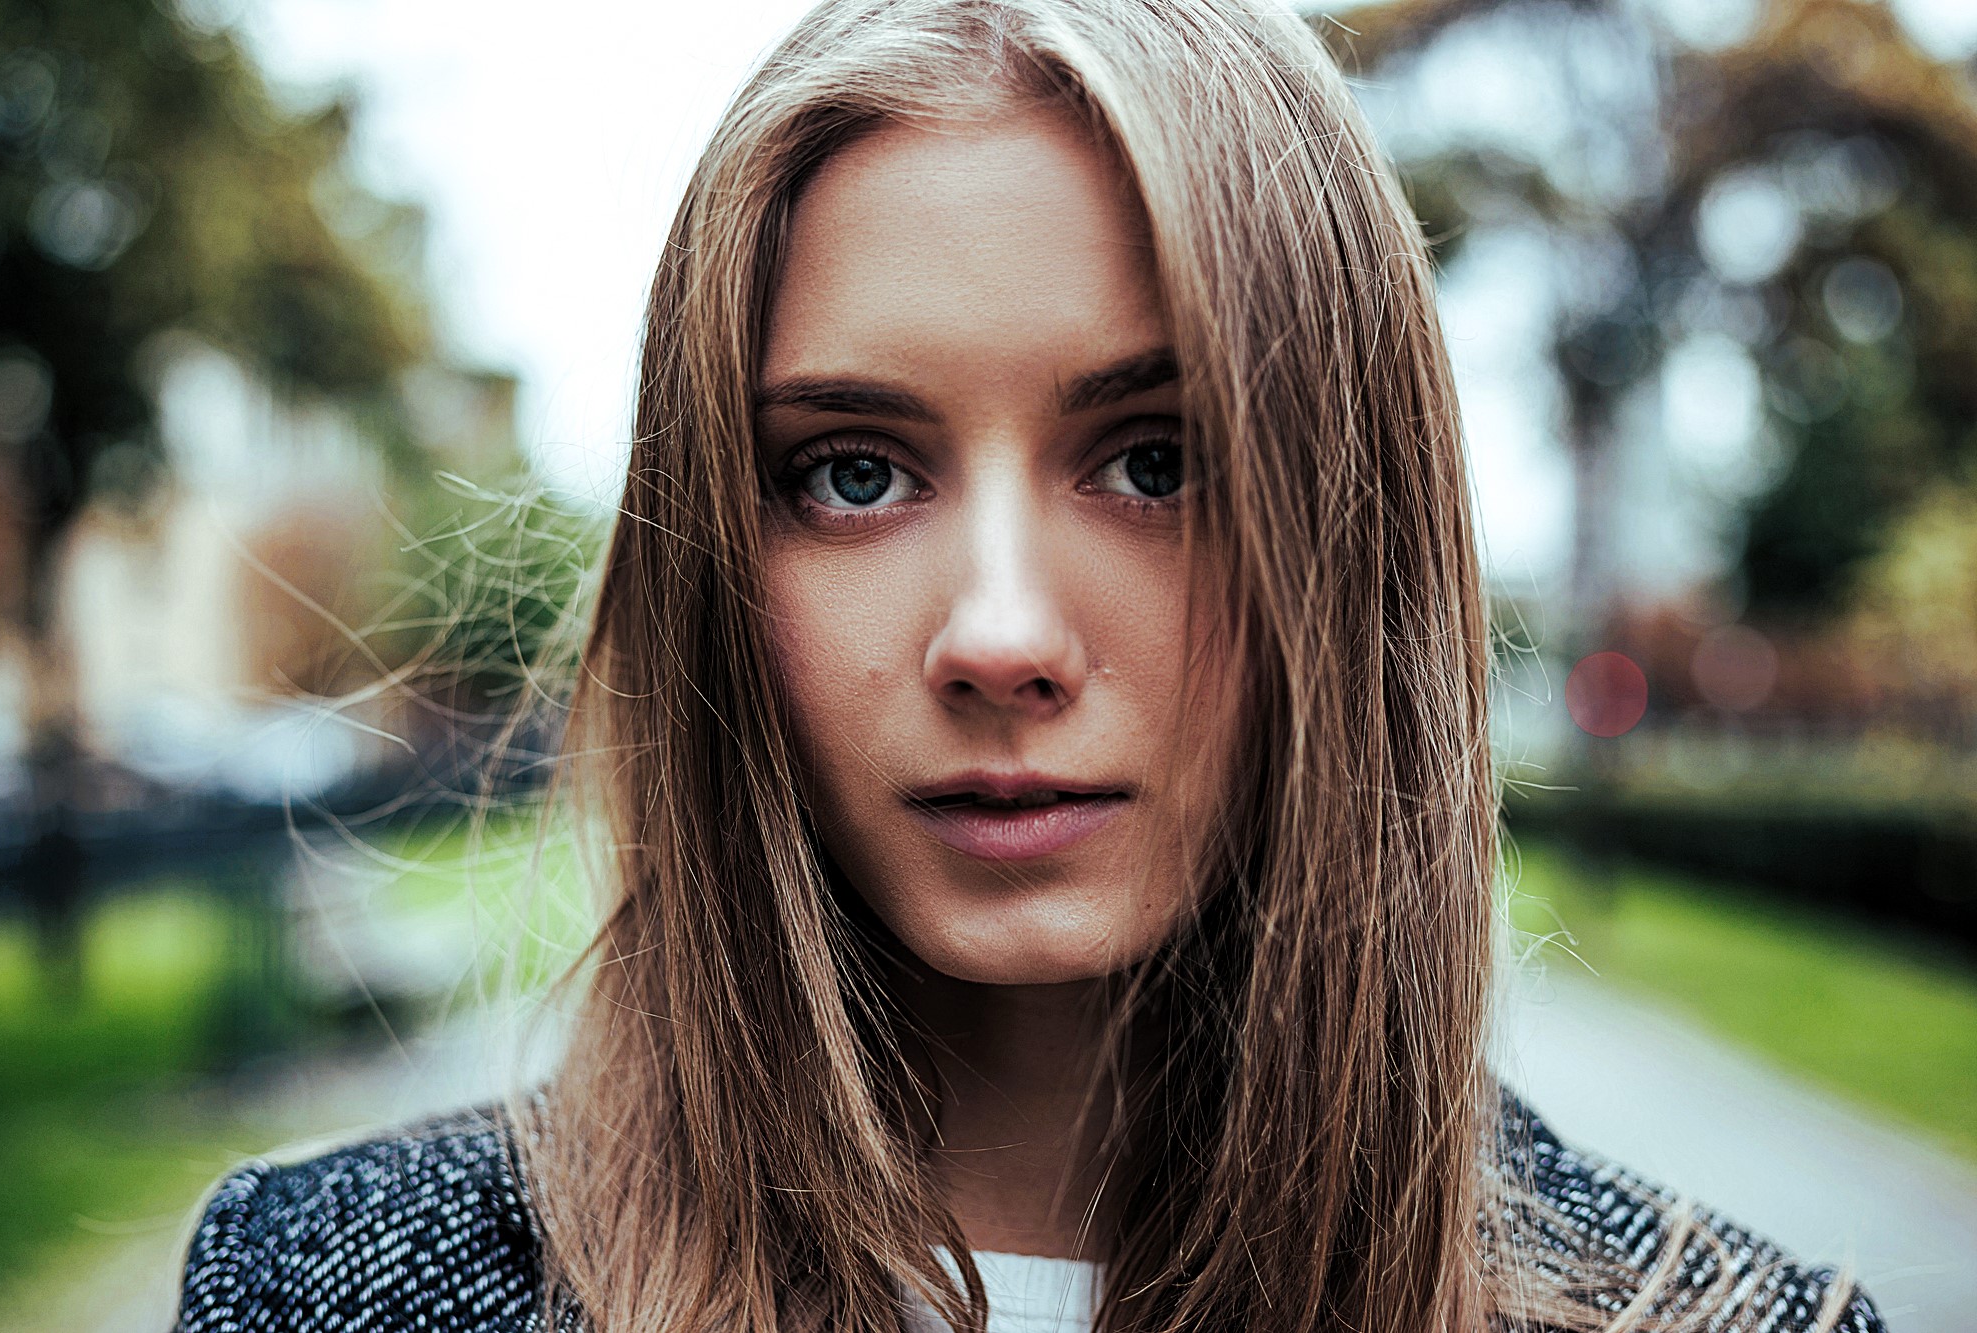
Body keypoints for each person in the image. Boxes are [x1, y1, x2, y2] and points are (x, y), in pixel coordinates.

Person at [173, 1, 1889, 1330]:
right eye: (854, 470)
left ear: (1357, 538)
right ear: (716, 559)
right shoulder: (328, 1286)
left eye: (1157, 460)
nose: (1000, 635)